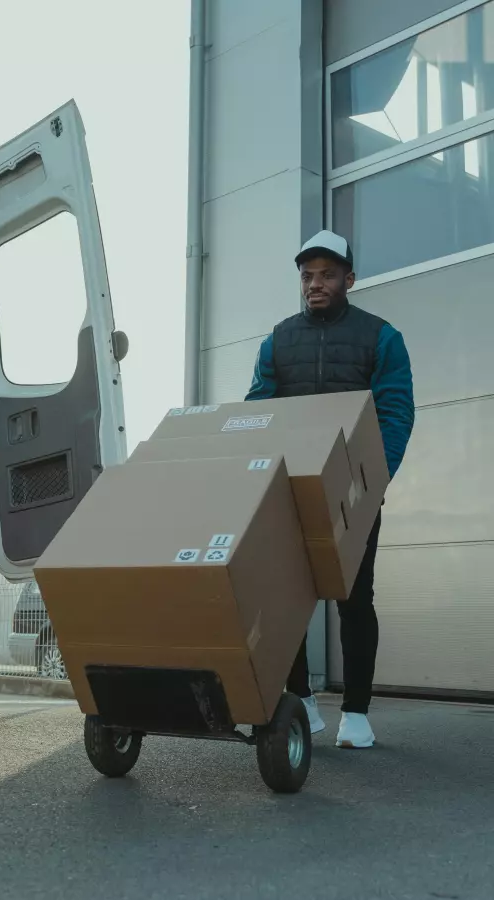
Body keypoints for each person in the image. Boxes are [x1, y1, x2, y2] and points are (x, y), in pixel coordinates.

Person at [246, 230, 414, 750]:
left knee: (353, 598)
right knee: (287, 599)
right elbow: (258, 409)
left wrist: (373, 482)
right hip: (288, 492)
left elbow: (395, 412)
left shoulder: (381, 337)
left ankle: (357, 714)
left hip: (354, 495)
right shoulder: (278, 340)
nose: (314, 284)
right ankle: (304, 703)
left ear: (349, 279)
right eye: (307, 276)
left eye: (326, 275)